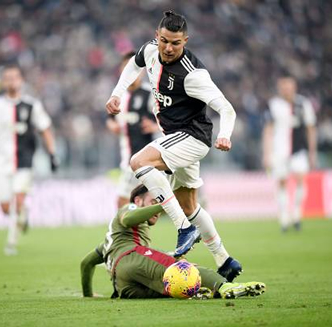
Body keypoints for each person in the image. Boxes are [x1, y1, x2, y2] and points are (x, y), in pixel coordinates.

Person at [105, 10, 242, 281]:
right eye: (165, 40)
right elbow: (133, 65)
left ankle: (183, 227)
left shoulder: (194, 75)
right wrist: (116, 94)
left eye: (176, 43)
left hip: (194, 137)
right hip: (177, 137)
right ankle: (224, 260)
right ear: (157, 36)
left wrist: (225, 135)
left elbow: (227, 109)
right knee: (190, 204)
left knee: (138, 162)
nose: (169, 48)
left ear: (186, 41)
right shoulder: (150, 51)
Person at [80, 184, 266, 299]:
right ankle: (225, 286)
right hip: (131, 258)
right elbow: (128, 218)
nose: (158, 210)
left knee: (172, 287)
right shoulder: (130, 207)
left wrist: (88, 295)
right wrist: (165, 203)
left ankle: (203, 292)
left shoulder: (110, 241)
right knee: (183, 268)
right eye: (153, 201)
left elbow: (86, 263)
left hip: (123, 286)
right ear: (138, 200)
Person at [0, 64, 58, 255]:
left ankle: (11, 243)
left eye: (15, 77)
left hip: (24, 161)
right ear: (2, 82)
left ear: (21, 80)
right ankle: (22, 216)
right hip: (1, 162)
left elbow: (45, 128)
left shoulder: (32, 105)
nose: (11, 81)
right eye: (7, 78)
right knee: (7, 207)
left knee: (17, 199)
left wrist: (52, 153)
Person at [262, 76, 317, 232]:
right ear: (280, 88)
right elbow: (268, 130)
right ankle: (284, 217)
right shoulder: (273, 105)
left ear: (294, 87)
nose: (286, 90)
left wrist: (312, 152)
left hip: (299, 149)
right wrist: (266, 154)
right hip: (279, 150)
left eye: (289, 87)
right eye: (283, 87)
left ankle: (297, 213)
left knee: (300, 178)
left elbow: (311, 128)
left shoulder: (303, 104)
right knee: (281, 182)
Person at [106, 51, 159, 208]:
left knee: (123, 201)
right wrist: (112, 126)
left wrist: (155, 127)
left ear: (141, 72)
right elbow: (109, 119)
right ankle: (136, 231)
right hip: (126, 158)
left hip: (143, 158)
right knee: (138, 203)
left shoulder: (149, 95)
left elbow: (167, 119)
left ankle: (127, 232)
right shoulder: (118, 96)